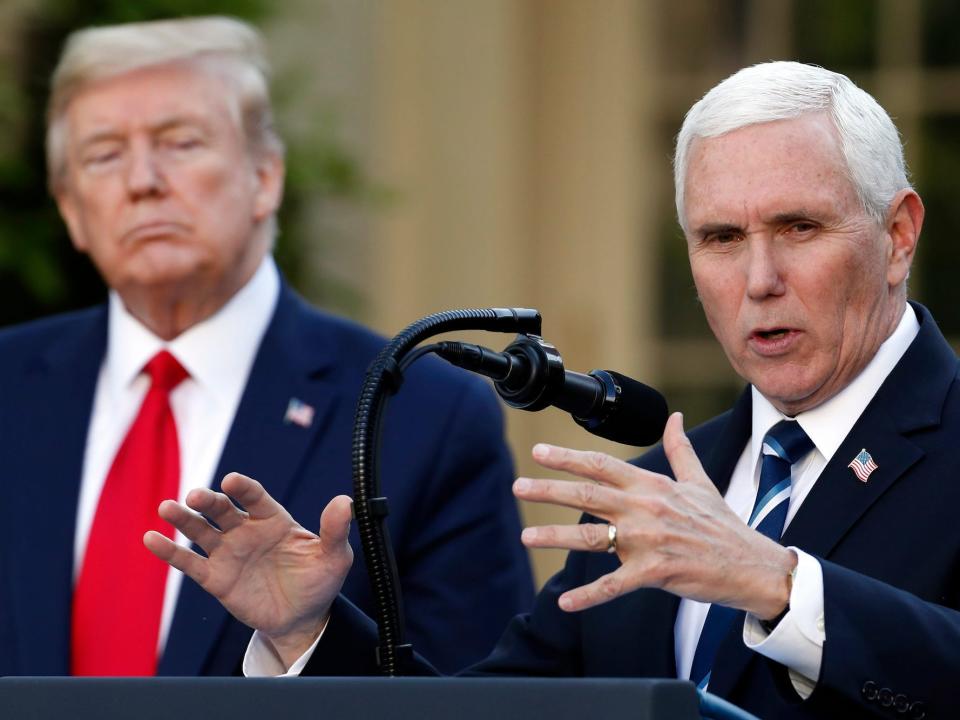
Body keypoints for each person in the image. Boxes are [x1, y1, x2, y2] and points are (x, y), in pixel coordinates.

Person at [148, 60, 960, 716]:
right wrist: (308, 634)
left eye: (798, 228)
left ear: (897, 237)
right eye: (720, 238)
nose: (759, 279)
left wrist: (780, 585)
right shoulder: (650, 495)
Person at [0, 16, 534, 677]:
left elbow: (478, 699)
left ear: (266, 176)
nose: (142, 180)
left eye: (181, 142)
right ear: (72, 210)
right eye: (105, 155)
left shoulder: (422, 415)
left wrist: (307, 636)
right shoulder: (9, 386)